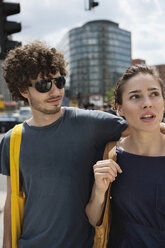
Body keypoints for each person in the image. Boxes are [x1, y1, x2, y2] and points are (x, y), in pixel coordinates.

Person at [0, 41, 128, 248]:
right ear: (24, 90)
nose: (56, 91)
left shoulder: (89, 122)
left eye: (59, 81)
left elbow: (141, 128)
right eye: (44, 85)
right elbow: (12, 203)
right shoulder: (12, 140)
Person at [86, 64, 165, 248]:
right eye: (135, 96)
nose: (147, 103)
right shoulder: (110, 154)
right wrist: (99, 190)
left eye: (154, 94)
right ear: (119, 109)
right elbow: (92, 218)